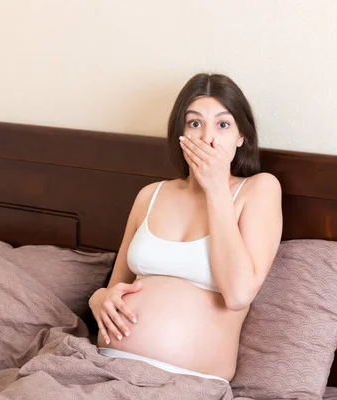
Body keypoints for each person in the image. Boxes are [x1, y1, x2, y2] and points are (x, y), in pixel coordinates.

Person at [88, 73, 283, 383]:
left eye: (223, 125)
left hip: (187, 382)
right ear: (180, 133)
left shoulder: (258, 190)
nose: (207, 138)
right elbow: (115, 287)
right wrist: (98, 299)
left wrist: (217, 189)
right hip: (108, 366)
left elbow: (238, 294)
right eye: (194, 123)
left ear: (241, 136)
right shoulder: (150, 196)